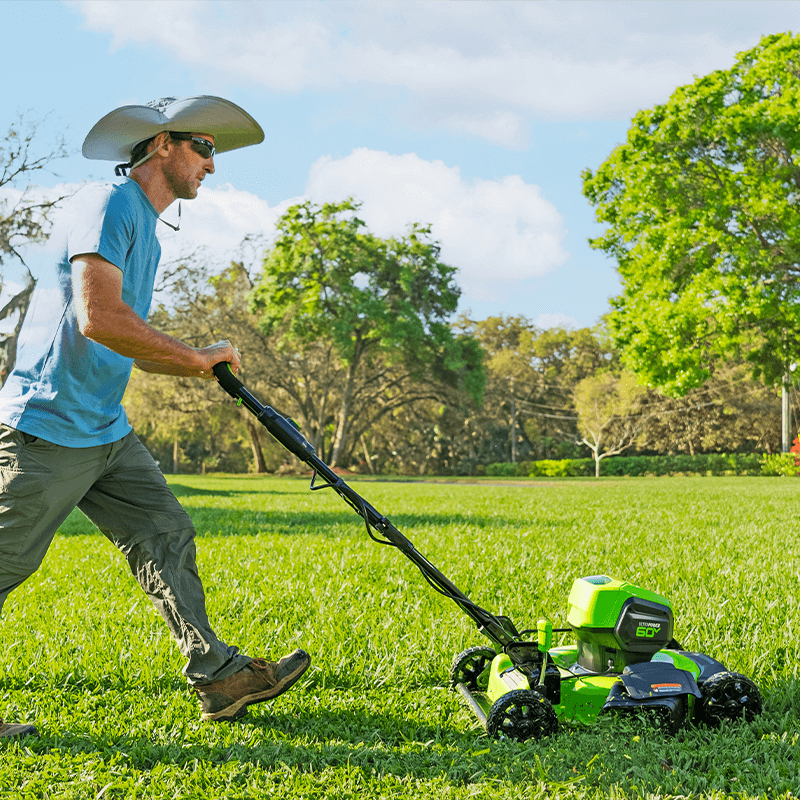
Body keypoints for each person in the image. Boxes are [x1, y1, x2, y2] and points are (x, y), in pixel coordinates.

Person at [0, 96, 310, 740]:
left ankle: (218, 677)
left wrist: (191, 363)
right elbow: (99, 318)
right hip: (47, 425)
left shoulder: (141, 220)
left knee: (165, 532)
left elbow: (121, 333)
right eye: (204, 147)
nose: (212, 166)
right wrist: (195, 359)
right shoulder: (110, 205)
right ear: (160, 144)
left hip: (103, 428)